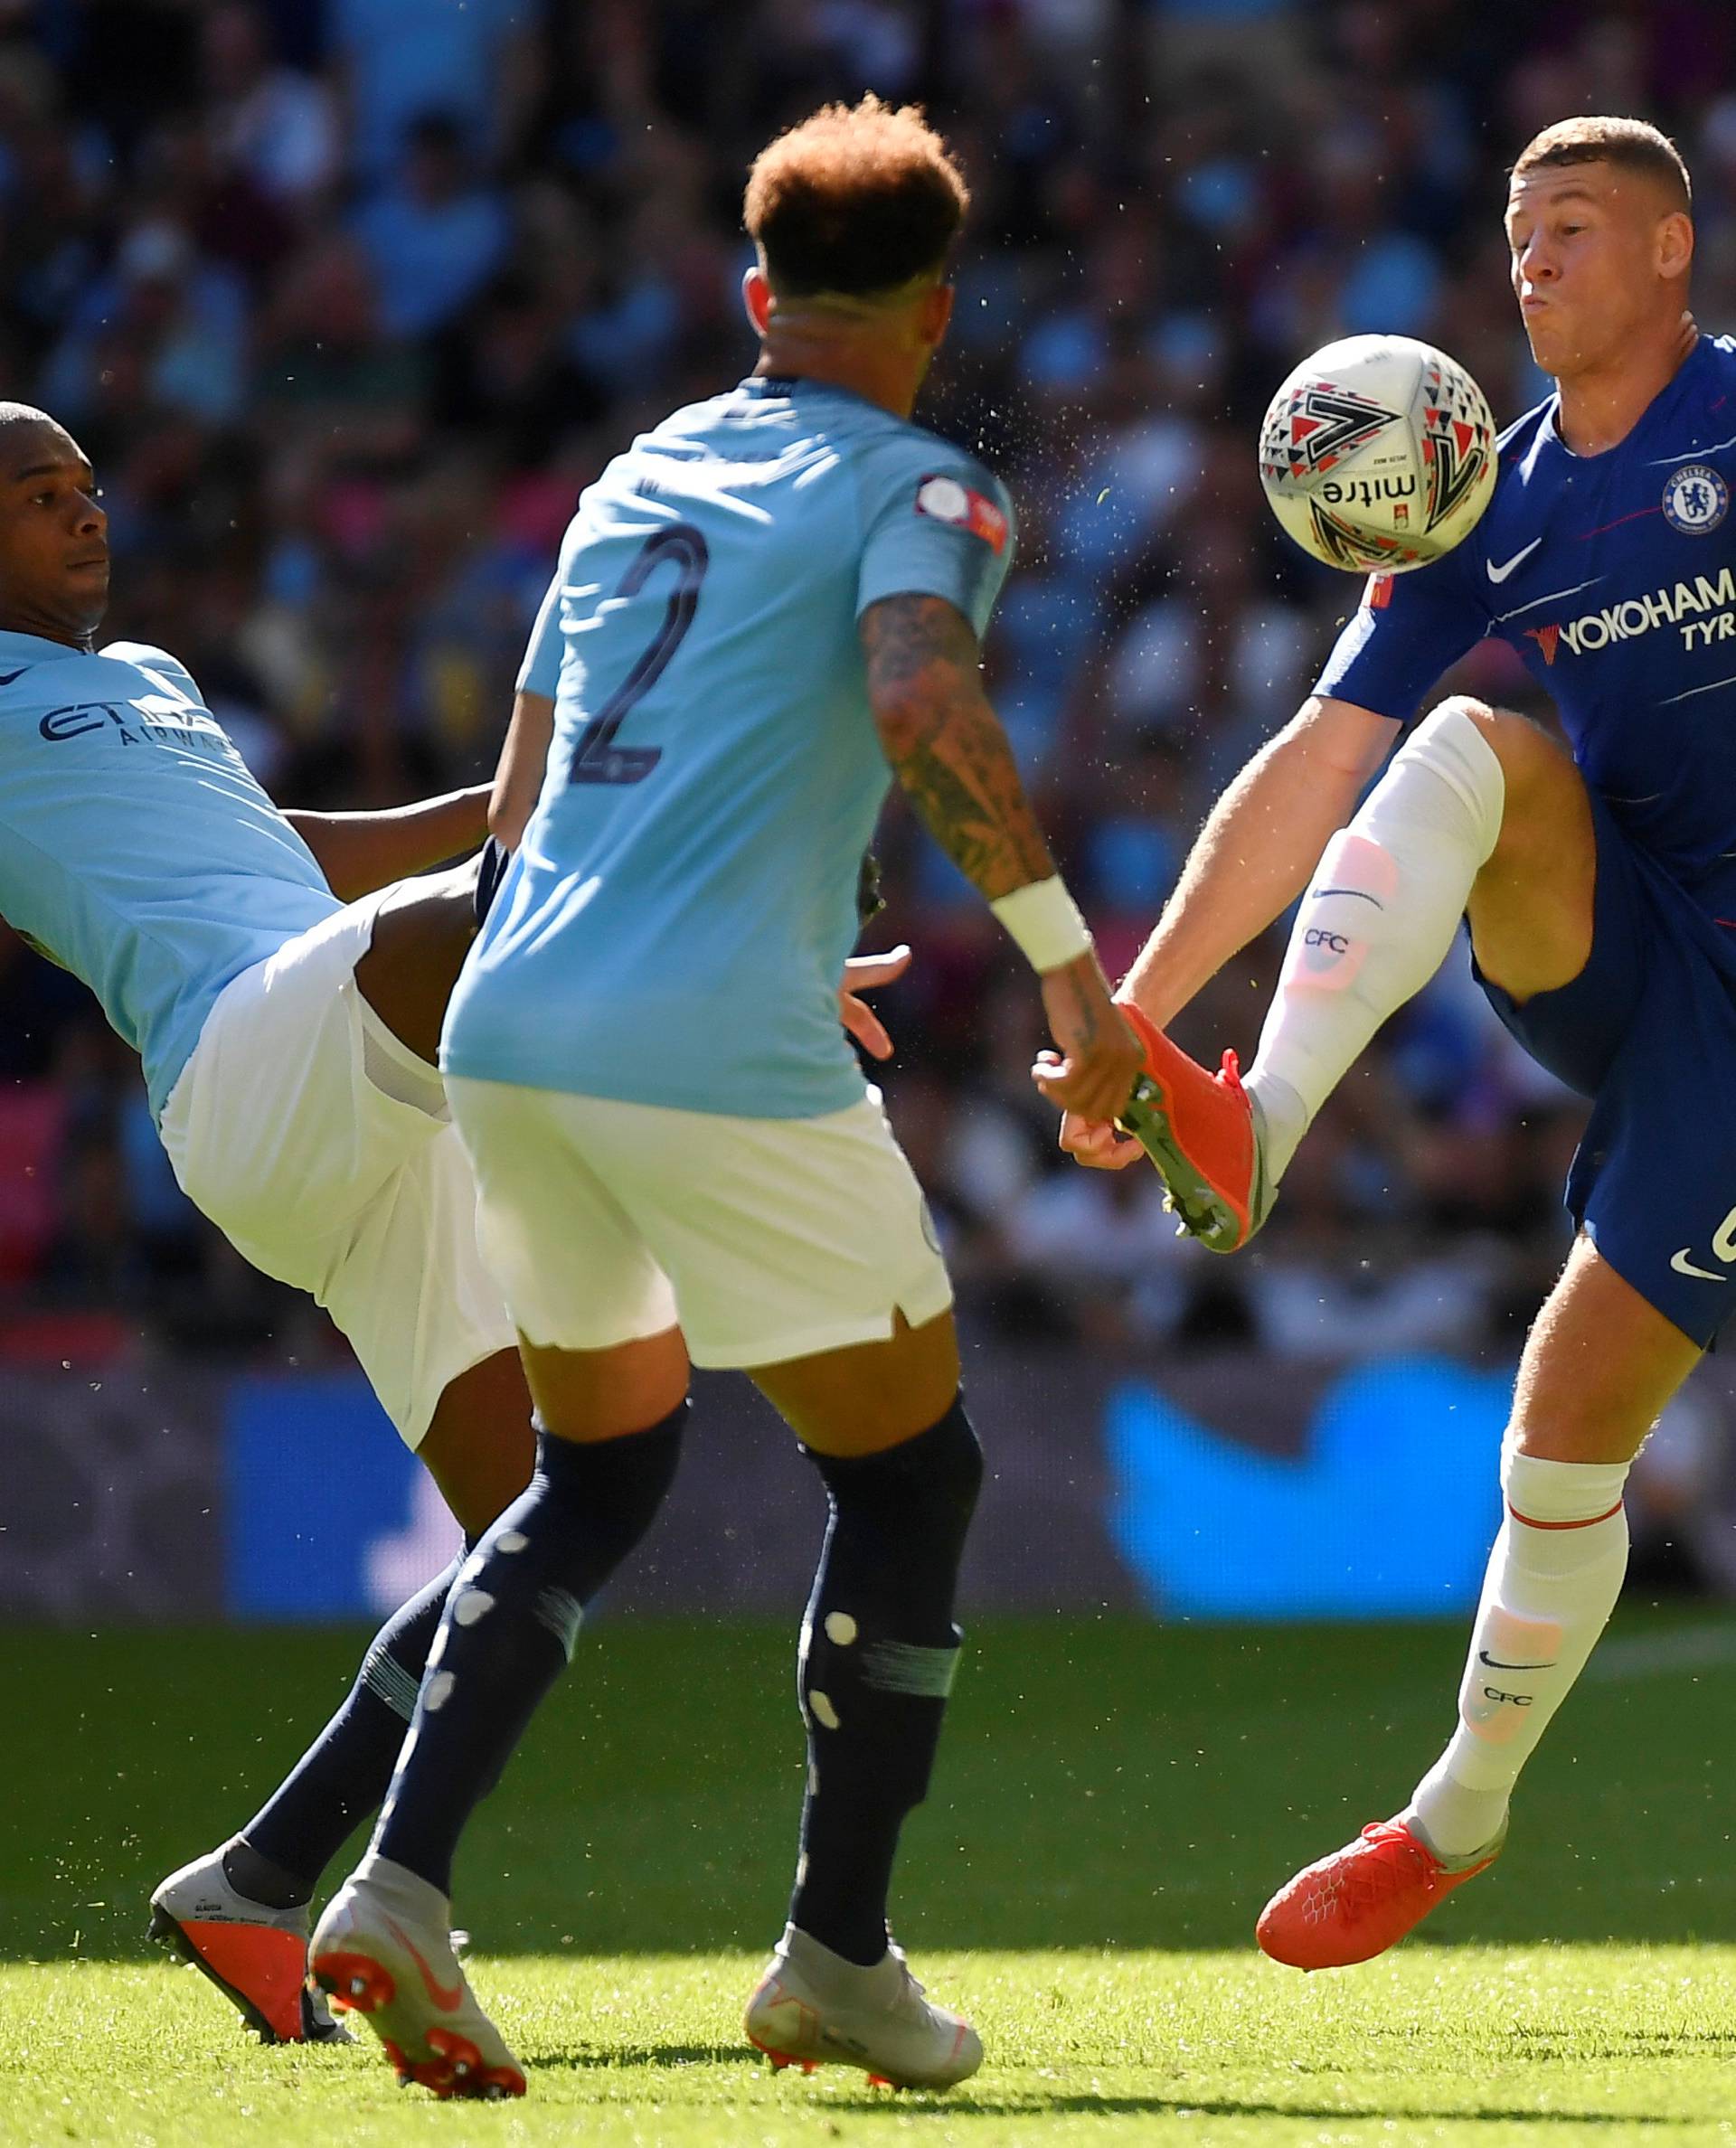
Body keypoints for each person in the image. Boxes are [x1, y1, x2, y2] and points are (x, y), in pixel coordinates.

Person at [308, 95, 1140, 2101]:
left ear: (758, 294)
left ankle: (397, 1887)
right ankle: (838, 1955)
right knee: (910, 1475)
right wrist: (1070, 971)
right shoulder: (930, 489)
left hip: (518, 1023)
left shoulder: (628, 481)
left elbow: (517, 814)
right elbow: (922, 696)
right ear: (933, 315)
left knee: (592, 1476)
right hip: (711, 1046)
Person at [0, 392, 905, 2049]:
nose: (84, 515)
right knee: (485, 921)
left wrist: (494, 845)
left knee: (556, 1518)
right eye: (36, 495)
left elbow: (286, 859)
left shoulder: (149, 680)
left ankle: (261, 1881)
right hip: (245, 1063)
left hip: (362, 1111)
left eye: (86, 485)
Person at [1063, 115, 1731, 1969]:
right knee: (1460, 750)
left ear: (1675, 252)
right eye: (1518, 237)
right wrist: (1139, 1017)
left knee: (1567, 1414)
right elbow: (1309, 768)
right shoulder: (1482, 506)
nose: (1532, 265)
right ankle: (1255, 1124)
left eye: (1576, 230)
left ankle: (1460, 1816)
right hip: (1632, 936)